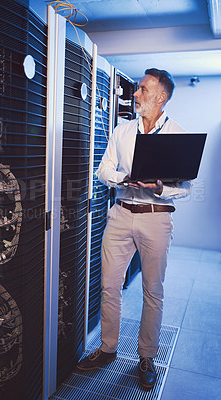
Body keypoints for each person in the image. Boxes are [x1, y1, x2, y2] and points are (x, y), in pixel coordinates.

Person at [77, 68, 192, 389]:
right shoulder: (122, 131)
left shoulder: (179, 135)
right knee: (109, 285)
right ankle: (108, 348)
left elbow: (185, 187)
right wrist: (123, 178)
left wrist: (160, 188)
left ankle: (146, 356)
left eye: (143, 89)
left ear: (161, 96)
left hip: (156, 216)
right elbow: (103, 169)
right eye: (138, 89)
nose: (136, 94)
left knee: (152, 290)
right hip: (120, 213)